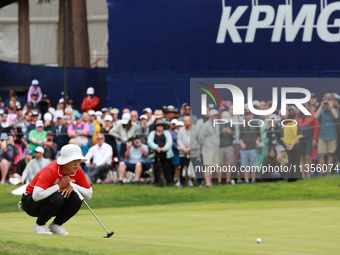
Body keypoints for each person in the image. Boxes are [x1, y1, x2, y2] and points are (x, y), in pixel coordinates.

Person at [21, 144, 92, 235]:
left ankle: (56, 225)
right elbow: (36, 196)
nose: (77, 164)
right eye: (73, 160)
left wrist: (73, 186)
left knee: (76, 198)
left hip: (50, 201)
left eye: (78, 160)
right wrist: (59, 186)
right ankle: (39, 225)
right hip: (30, 203)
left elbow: (89, 194)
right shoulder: (51, 170)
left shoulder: (77, 170)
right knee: (58, 198)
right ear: (65, 161)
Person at [315, 97, 339, 174]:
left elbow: (336, 116)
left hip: (332, 136)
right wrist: (321, 106)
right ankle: (322, 171)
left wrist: (331, 107)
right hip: (322, 136)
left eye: (327, 103)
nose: (326, 104)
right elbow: (315, 117)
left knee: (330, 154)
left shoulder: (334, 110)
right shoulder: (321, 111)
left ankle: (328, 170)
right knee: (321, 154)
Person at [148, 120, 173, 187]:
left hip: (165, 153)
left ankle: (169, 182)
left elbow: (169, 142)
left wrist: (164, 148)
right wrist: (157, 148)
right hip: (156, 153)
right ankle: (156, 181)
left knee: (167, 168)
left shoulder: (167, 133)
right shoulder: (152, 133)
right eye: (158, 126)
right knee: (156, 168)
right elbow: (150, 142)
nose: (160, 127)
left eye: (161, 126)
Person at [198, 109, 220, 187]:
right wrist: (206, 145)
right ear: (210, 116)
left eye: (216, 115)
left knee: (213, 166)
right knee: (208, 166)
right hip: (207, 148)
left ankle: (210, 182)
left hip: (215, 148)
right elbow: (200, 138)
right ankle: (208, 182)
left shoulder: (216, 124)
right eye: (214, 115)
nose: (215, 116)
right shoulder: (205, 125)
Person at [239, 109, 261, 184]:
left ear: (253, 116)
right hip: (244, 148)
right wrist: (241, 143)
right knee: (245, 166)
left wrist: (258, 140)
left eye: (250, 115)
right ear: (245, 116)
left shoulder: (256, 124)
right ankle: (246, 180)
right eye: (247, 115)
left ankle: (253, 179)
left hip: (253, 147)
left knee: (254, 165)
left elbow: (259, 135)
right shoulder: (242, 125)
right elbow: (240, 137)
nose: (249, 116)